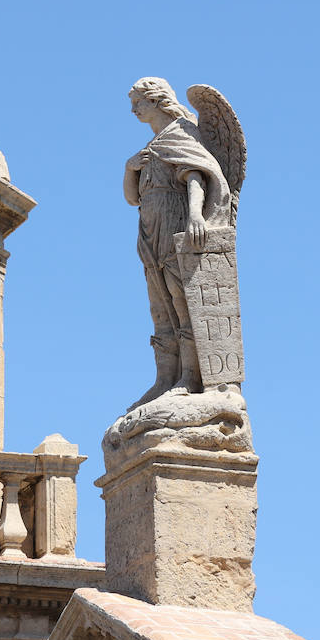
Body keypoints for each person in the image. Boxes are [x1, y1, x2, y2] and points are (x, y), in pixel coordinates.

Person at [123, 77, 233, 408]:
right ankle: (164, 379)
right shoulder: (150, 147)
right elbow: (132, 198)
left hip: (176, 224)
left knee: (181, 299)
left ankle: (189, 377)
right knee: (160, 306)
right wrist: (129, 168)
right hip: (149, 232)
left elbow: (196, 175)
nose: (134, 109)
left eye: (138, 102)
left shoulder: (181, 134)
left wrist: (197, 214)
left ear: (157, 101)